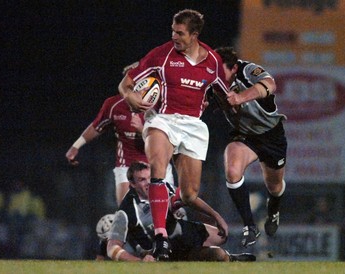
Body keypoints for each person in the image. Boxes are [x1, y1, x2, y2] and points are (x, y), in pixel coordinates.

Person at [118, 9, 229, 260]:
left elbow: (225, 96)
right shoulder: (161, 54)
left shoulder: (212, 61)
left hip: (193, 126)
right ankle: (161, 238)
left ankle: (166, 207)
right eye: (172, 31)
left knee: (189, 194)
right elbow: (126, 83)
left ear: (194, 35)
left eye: (180, 33)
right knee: (158, 166)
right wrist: (131, 95)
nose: (174, 36)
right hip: (163, 120)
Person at [65, 64, 175, 206]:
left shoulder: (160, 104)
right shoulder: (113, 105)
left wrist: (143, 130)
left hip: (157, 163)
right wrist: (76, 146)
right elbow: (97, 126)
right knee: (126, 212)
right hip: (127, 165)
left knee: (168, 213)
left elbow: (169, 140)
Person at [105, 161, 255, 262]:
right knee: (218, 254)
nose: (149, 183)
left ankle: (217, 256)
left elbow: (188, 198)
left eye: (150, 177)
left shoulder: (162, 187)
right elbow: (112, 247)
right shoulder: (126, 211)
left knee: (221, 236)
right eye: (142, 180)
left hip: (180, 234)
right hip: (162, 250)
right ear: (132, 184)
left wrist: (216, 216)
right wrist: (139, 261)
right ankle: (229, 258)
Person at [213, 47, 287, 247]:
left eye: (221, 71)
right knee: (232, 171)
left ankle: (274, 210)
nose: (217, 76)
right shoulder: (213, 82)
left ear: (234, 68)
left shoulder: (248, 70)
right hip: (244, 135)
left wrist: (240, 97)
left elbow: (270, 85)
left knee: (275, 186)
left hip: (271, 134)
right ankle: (250, 226)